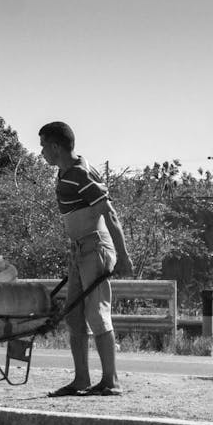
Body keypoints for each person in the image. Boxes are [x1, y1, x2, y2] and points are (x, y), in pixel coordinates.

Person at [39, 121, 133, 397]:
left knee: (96, 314)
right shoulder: (64, 173)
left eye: (44, 145)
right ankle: (81, 379)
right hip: (79, 249)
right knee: (74, 315)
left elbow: (110, 214)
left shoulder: (81, 173)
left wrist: (124, 256)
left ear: (56, 146)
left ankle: (110, 381)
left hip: (95, 247)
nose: (42, 151)